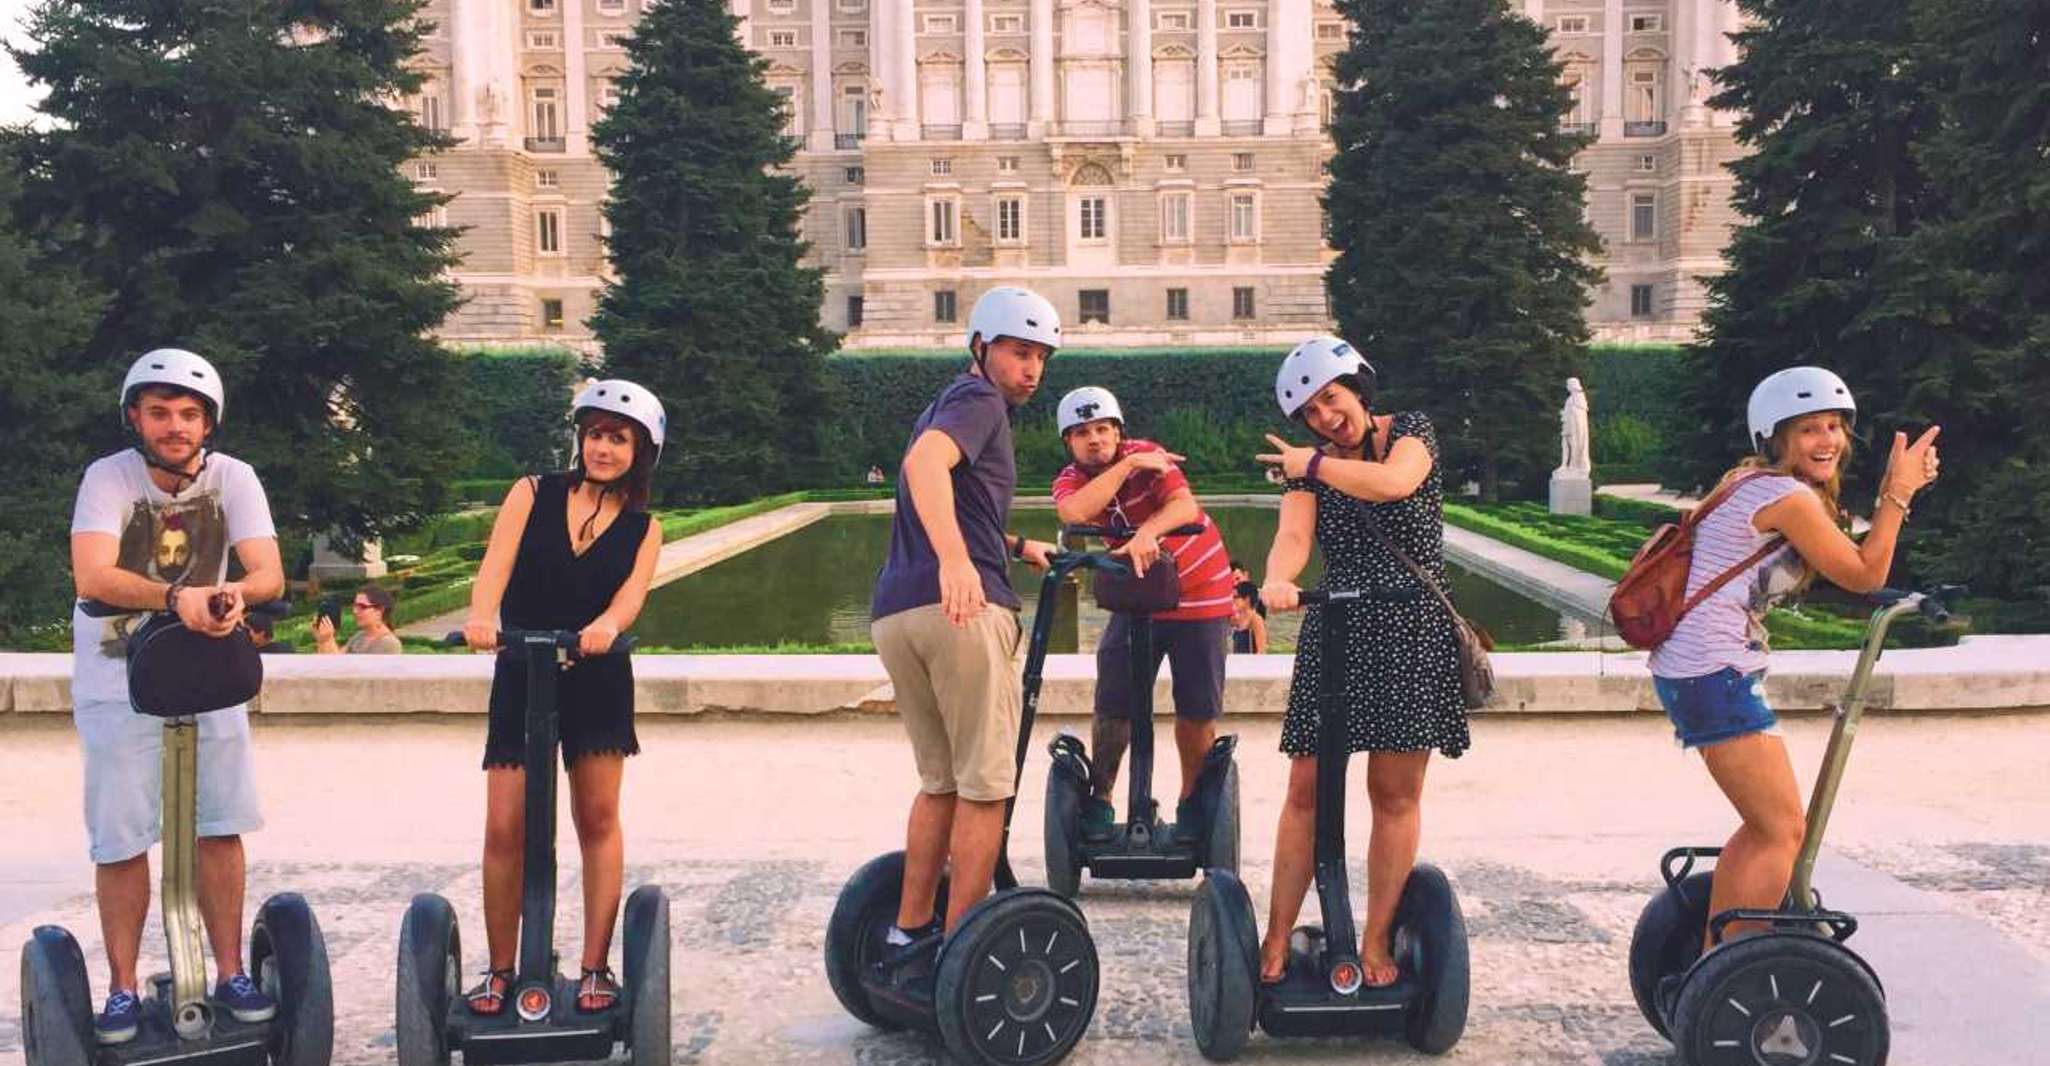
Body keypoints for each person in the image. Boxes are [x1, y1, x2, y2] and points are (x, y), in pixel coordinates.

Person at [1648, 367, 1939, 948]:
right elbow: (1864, 573)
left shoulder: (1753, 485)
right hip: (1714, 671)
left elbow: (1843, 555)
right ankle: (1731, 969)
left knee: (1767, 827)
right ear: (1775, 439)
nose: (1827, 439)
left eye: (1834, 426)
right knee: (1782, 830)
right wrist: (1897, 493)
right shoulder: (1782, 495)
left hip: (1700, 669)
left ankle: (1718, 960)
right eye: (1809, 429)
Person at [69, 348, 285, 1043]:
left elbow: (269, 573)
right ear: (136, 417)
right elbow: (94, 574)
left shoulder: (234, 478)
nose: (174, 426)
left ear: (207, 424)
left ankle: (228, 973)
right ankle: (124, 989)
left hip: (205, 671)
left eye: (188, 414)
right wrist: (173, 596)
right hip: (116, 677)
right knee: (122, 838)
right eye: (160, 412)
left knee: (219, 826)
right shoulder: (109, 478)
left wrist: (230, 595)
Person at [1253, 335, 1469, 989]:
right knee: (1306, 791)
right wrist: (1277, 580)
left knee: (1394, 795)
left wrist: (1312, 466)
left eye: (1331, 399)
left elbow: (1394, 482)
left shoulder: (1411, 432)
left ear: (1357, 388)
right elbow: (1292, 537)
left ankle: (1376, 941)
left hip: (1411, 624)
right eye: (1311, 413)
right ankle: (1275, 935)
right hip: (1338, 625)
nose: (1324, 418)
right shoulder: (1306, 466)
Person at [868, 286, 1060, 990]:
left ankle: (907, 931)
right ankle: (960, 953)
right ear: (982, 348)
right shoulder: (978, 402)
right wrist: (958, 561)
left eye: (1041, 355)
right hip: (959, 611)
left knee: (941, 783)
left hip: (898, 612)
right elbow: (925, 468)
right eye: (1018, 351)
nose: (1032, 367)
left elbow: (949, 494)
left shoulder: (949, 402)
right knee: (986, 787)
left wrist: (1009, 544)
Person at [459, 379, 667, 1015]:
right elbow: (495, 564)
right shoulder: (533, 492)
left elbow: (631, 597)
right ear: (581, 437)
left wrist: (607, 626)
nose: (603, 448)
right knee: (504, 825)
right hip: (522, 665)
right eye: (596, 433)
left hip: (598, 675)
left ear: (641, 451)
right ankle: (500, 967)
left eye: (619, 438)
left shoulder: (644, 527)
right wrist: (480, 614)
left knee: (596, 819)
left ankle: (595, 965)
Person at [1050, 385, 1236, 842]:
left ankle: (1193, 807)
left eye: (1103, 429)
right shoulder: (1075, 479)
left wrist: (1147, 532)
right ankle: (1100, 800)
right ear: (1069, 443)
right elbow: (1073, 511)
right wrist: (1126, 467)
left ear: (1119, 431)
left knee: (1196, 710)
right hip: (1141, 599)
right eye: (1082, 433)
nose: (1095, 439)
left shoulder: (1149, 454)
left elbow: (1184, 505)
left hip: (1201, 591)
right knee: (1113, 701)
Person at [312, 582, 401, 654]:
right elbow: (329, 664)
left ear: (379, 610)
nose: (355, 611)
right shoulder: (359, 636)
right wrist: (322, 641)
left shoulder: (388, 644)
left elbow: (341, 669)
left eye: (362, 607)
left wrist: (329, 639)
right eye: (355, 606)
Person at [1230, 581, 1268, 654]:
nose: (1232, 600)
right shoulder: (1236, 619)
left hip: (1251, 663)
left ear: (1247, 599)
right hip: (1238, 662)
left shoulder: (1256, 620)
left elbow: (1261, 650)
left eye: (1235, 597)